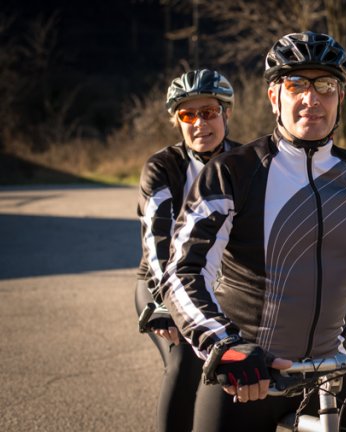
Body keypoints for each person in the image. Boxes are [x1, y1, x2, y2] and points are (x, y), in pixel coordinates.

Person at [160, 31, 346, 432]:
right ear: (274, 97)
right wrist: (223, 344)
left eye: (326, 85)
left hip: (329, 368)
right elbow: (184, 271)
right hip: (246, 374)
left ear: (341, 98)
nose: (311, 98)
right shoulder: (232, 173)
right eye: (296, 84)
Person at [135, 68, 241, 432]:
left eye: (209, 112)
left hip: (227, 283)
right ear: (177, 121)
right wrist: (166, 302)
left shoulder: (248, 161)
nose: (200, 123)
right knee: (185, 362)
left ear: (226, 113)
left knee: (242, 356)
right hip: (161, 282)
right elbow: (156, 238)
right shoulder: (162, 167)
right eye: (188, 115)